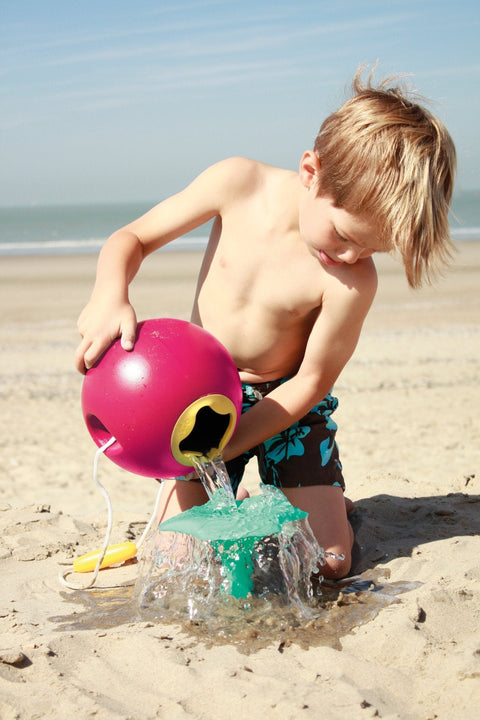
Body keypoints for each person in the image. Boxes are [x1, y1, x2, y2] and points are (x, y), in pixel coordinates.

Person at [75, 68, 456, 579]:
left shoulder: (352, 282)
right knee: (177, 560)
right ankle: (245, 492)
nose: (351, 255)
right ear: (310, 171)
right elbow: (132, 239)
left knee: (328, 565)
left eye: (372, 249)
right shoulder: (237, 184)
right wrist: (109, 295)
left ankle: (328, 505)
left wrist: (232, 445)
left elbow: (312, 381)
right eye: (345, 234)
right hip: (200, 398)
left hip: (287, 407)